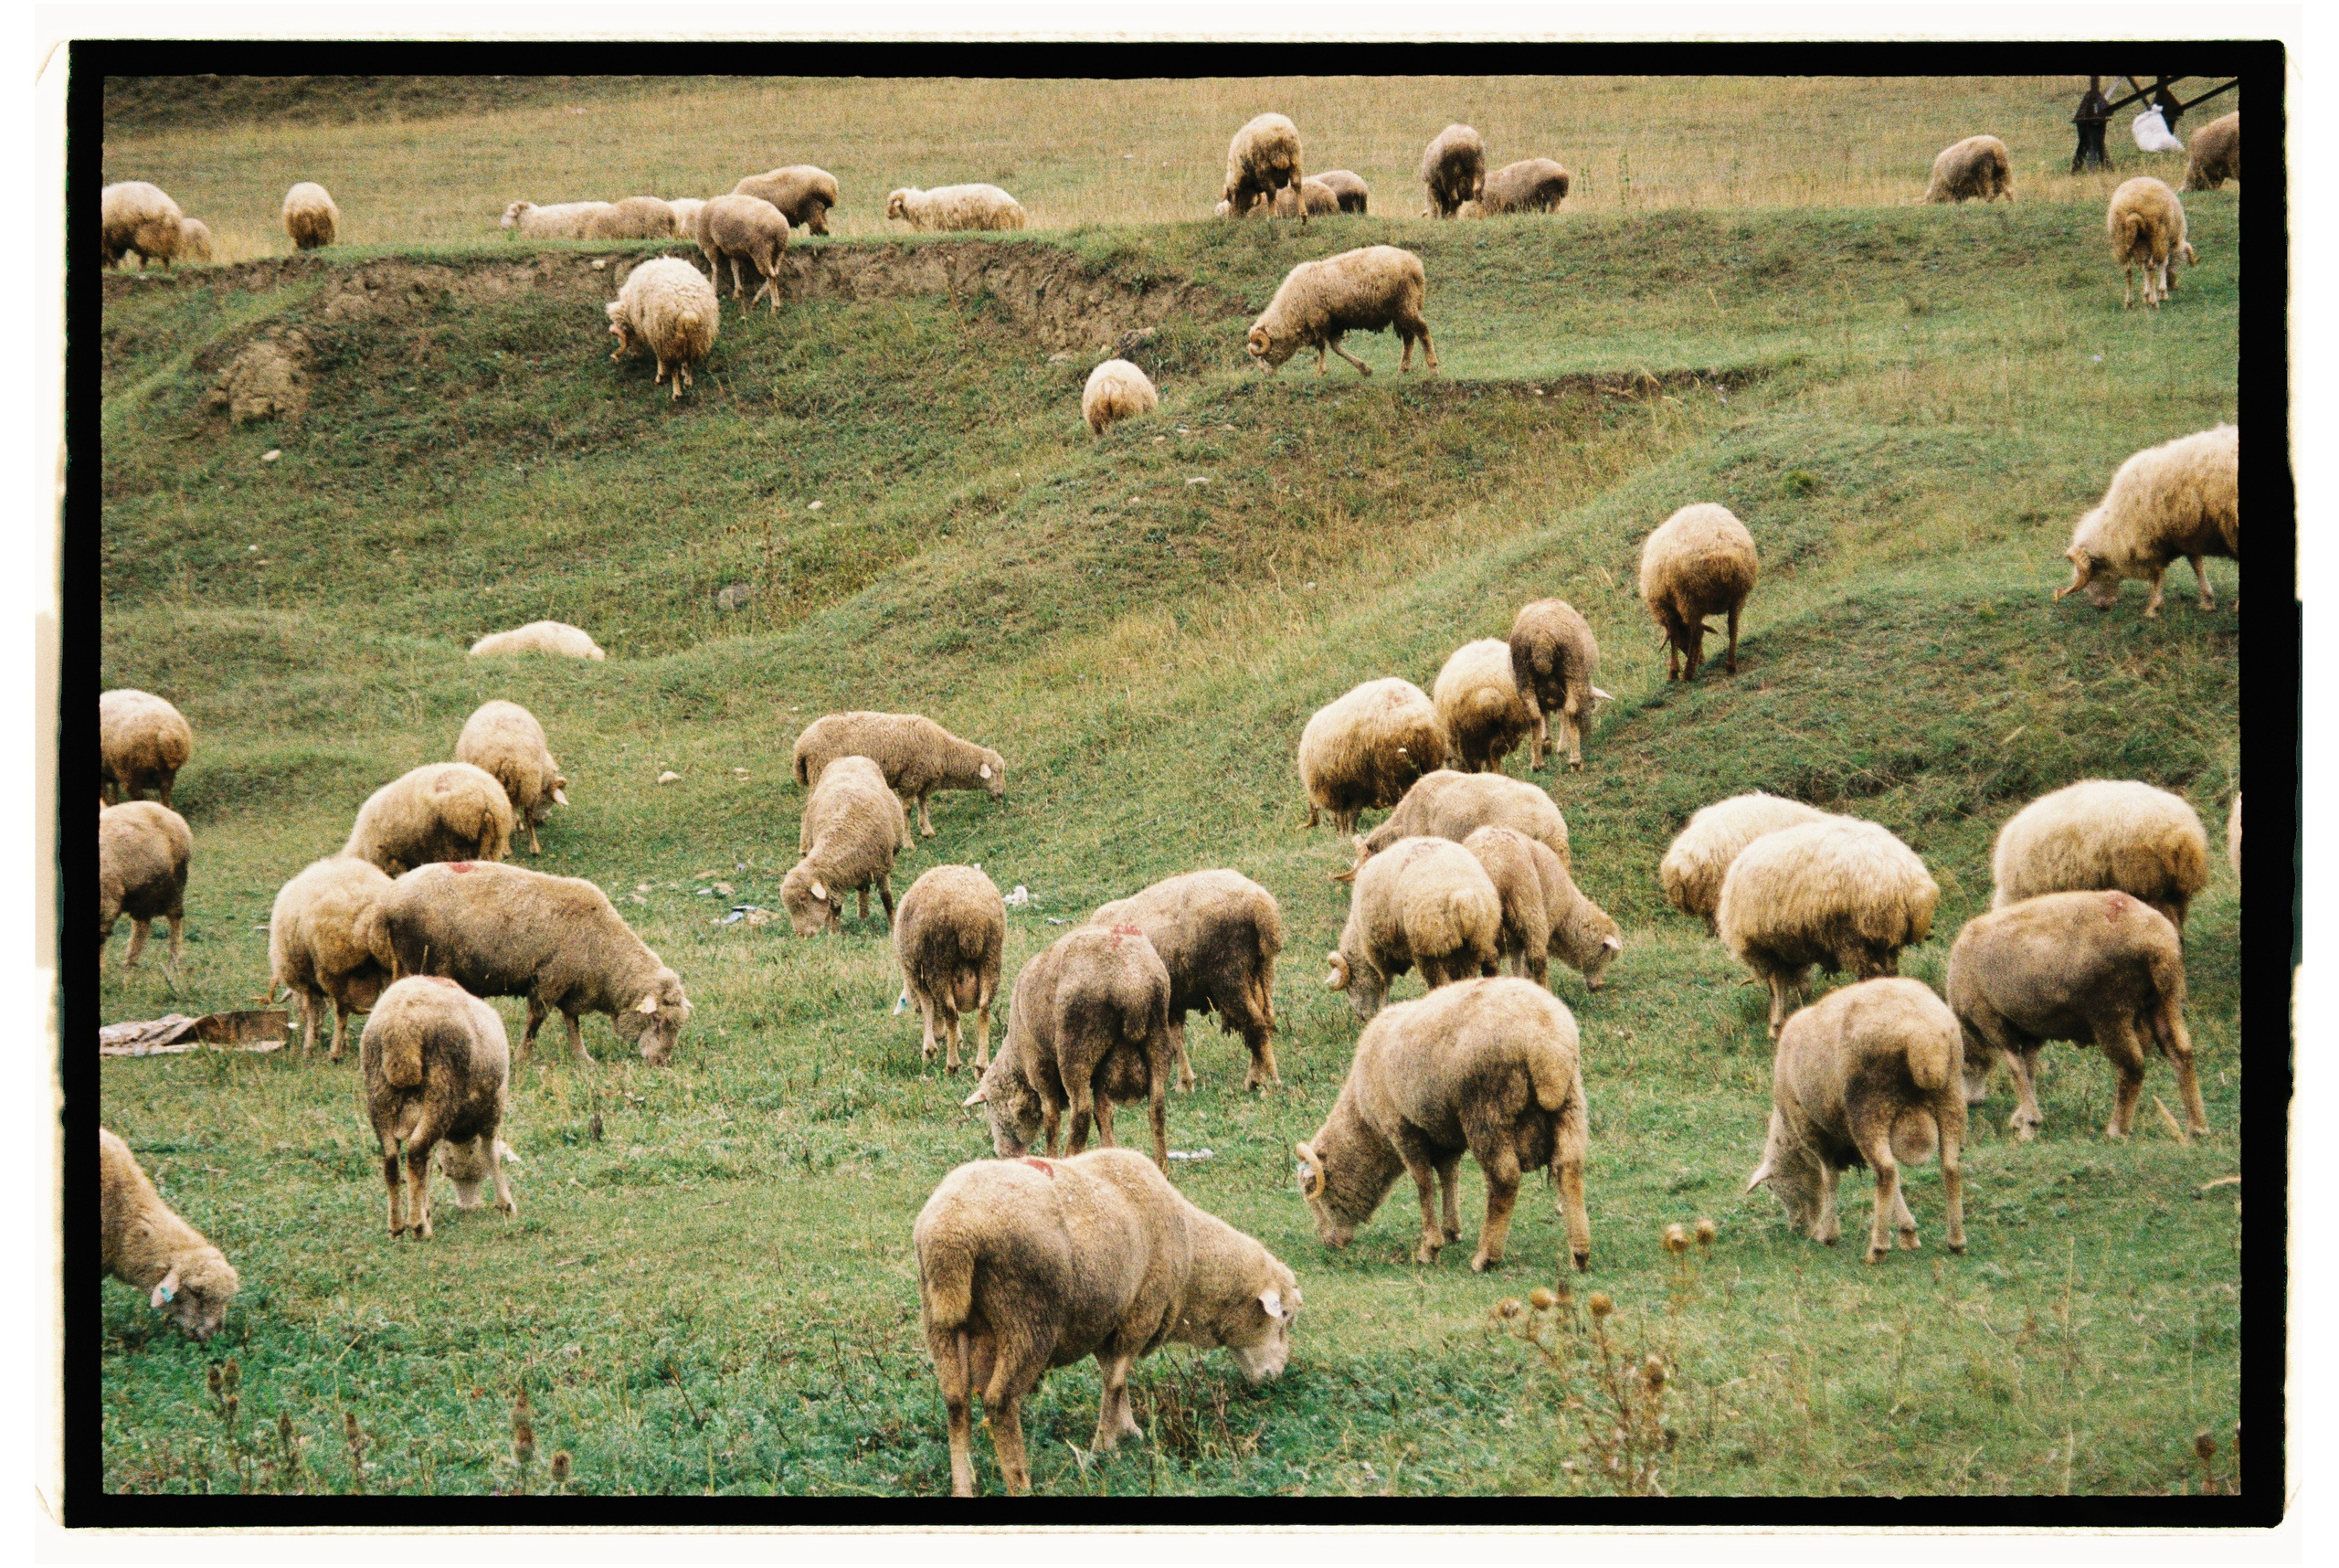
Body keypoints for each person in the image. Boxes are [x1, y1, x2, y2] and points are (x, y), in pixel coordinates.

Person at [2072, 76, 2113, 174]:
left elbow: (2108, 111)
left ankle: (2079, 168)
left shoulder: (2095, 96)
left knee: (2088, 145)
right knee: (2093, 146)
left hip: (2084, 123)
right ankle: (2094, 168)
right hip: (2087, 123)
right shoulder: (2094, 96)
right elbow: (2109, 111)